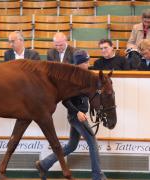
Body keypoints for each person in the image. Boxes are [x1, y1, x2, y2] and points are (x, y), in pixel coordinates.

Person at [35, 49, 107, 180]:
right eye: (86, 61)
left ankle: (44, 164)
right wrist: (77, 112)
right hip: (76, 116)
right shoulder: (72, 78)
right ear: (80, 63)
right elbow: (65, 100)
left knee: (71, 146)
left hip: (80, 115)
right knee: (92, 142)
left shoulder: (85, 76)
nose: (88, 63)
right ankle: (98, 176)